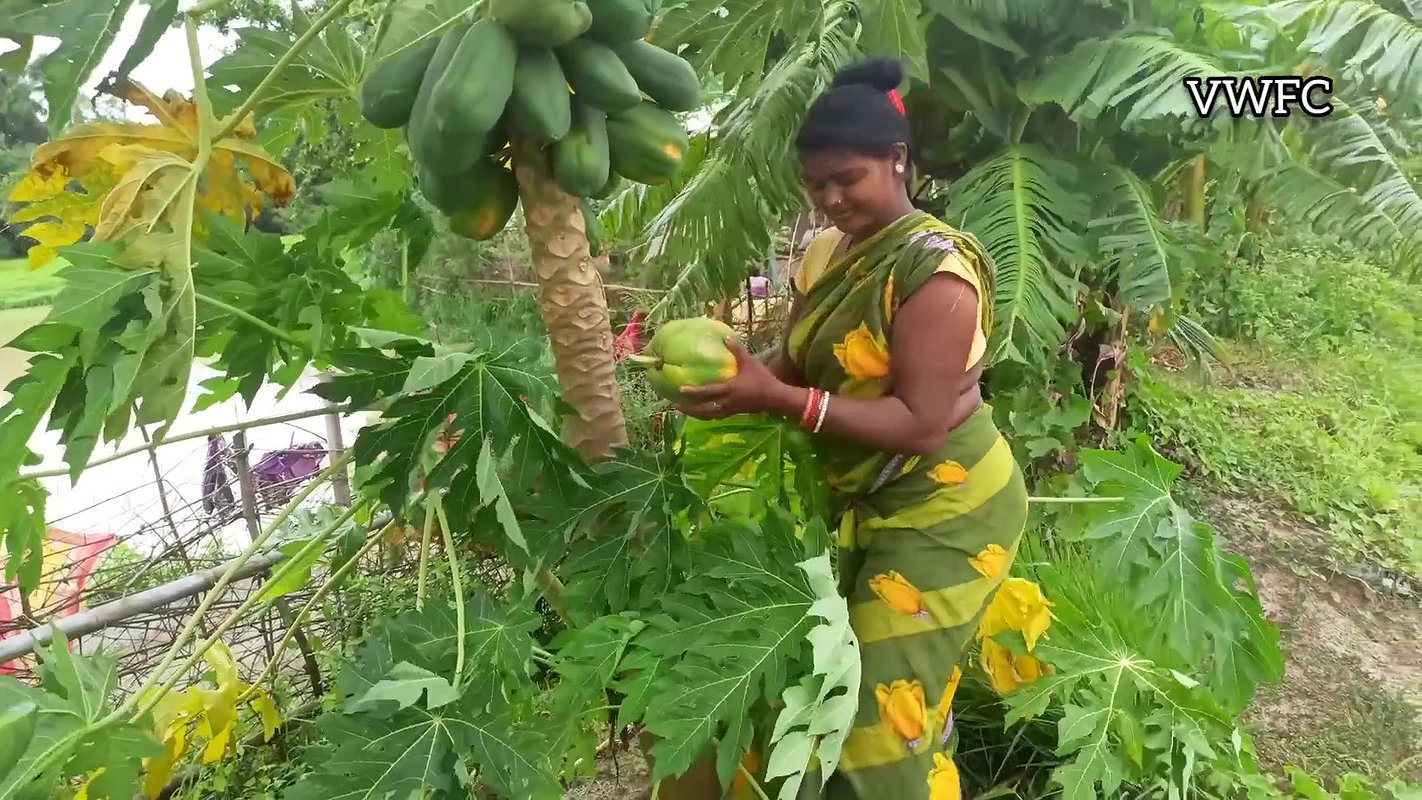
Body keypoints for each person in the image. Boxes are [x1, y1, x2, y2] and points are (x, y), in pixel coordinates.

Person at [674, 58, 1030, 800]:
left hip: (948, 508)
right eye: (816, 184)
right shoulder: (827, 254)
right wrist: (739, 381)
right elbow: (800, 363)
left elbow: (922, 425)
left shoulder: (936, 275)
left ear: (897, 161)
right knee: (828, 693)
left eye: (848, 178)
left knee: (874, 729)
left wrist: (775, 398)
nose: (831, 199)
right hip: (861, 500)